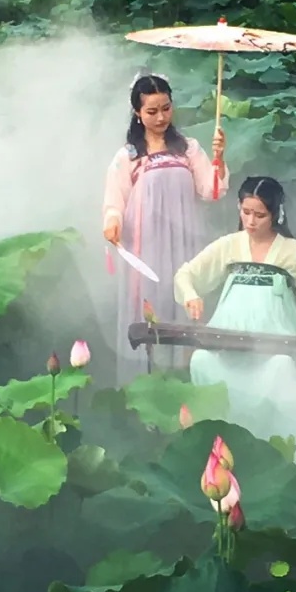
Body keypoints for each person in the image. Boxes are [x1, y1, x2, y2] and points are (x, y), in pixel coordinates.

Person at [173, 176, 296, 447]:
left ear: (276, 214)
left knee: (280, 368)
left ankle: (273, 448)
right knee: (201, 360)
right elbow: (187, 274)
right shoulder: (229, 245)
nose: (251, 221)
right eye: (246, 212)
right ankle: (216, 445)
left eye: (260, 215)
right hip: (226, 345)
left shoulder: (292, 251)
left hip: (272, 347)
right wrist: (191, 295)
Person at [103, 72, 228, 385]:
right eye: (152, 111)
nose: (161, 117)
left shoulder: (188, 149)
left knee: (185, 300)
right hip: (146, 245)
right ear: (137, 113)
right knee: (150, 306)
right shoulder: (128, 156)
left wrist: (219, 158)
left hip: (185, 241)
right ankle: (148, 383)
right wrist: (113, 222)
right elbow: (115, 200)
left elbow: (211, 191)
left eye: (166, 108)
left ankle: (186, 379)